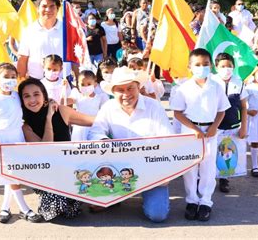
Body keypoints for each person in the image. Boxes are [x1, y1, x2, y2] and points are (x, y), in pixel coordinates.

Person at [88, 66, 173, 222]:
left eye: (130, 88)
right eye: (120, 90)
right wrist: (106, 143)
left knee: (158, 215)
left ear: (138, 87)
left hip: (150, 168)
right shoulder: (108, 108)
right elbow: (95, 133)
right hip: (118, 167)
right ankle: (117, 195)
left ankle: (132, 193)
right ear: (113, 92)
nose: (126, 94)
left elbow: (168, 139)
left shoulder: (153, 106)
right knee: (95, 204)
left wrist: (165, 173)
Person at [20, 78, 94, 221]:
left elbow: (92, 120)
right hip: (46, 174)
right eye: (26, 96)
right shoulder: (25, 126)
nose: (32, 99)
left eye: (36, 94)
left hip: (69, 169)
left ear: (44, 96)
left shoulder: (62, 111)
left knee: (72, 209)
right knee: (54, 209)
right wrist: (49, 118)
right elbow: (46, 149)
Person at [171, 48, 230, 222]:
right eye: (197, 64)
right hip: (190, 132)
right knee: (190, 169)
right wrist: (194, 129)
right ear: (190, 67)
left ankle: (205, 201)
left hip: (210, 132)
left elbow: (222, 111)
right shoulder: (184, 88)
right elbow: (178, 113)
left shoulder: (216, 86)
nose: (202, 67)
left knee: (208, 168)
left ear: (211, 65)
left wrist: (213, 127)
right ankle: (191, 200)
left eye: (205, 64)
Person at [0, 63, 43, 223]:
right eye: (6, 77)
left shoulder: (17, 96)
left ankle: (5, 207)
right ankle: (25, 209)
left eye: (12, 77)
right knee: (11, 175)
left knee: (12, 175)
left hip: (17, 138)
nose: (10, 80)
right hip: (2, 141)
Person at [212, 53, 248, 193]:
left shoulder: (239, 83)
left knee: (226, 153)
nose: (226, 69)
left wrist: (244, 127)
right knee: (211, 154)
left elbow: (244, 106)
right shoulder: (211, 81)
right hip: (214, 125)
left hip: (232, 125)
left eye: (229, 66)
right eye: (223, 66)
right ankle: (206, 179)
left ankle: (224, 179)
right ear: (216, 67)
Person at [18, 0, 70, 80]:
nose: (48, 10)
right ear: (37, 8)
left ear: (57, 8)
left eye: (52, 6)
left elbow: (75, 57)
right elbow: (23, 59)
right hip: (36, 83)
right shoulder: (29, 30)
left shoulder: (67, 29)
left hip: (63, 83)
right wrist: (21, 81)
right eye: (44, 6)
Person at [68, 70, 108, 141]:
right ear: (78, 84)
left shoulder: (100, 97)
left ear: (95, 84)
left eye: (89, 84)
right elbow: (65, 101)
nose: (86, 86)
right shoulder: (76, 94)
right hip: (79, 128)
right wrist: (63, 89)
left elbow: (105, 113)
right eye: (82, 84)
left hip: (94, 127)